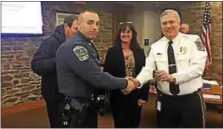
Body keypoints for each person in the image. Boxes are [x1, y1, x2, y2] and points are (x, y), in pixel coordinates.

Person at [56, 9, 137, 128]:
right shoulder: (75, 47)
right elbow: (96, 77)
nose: (95, 27)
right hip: (76, 108)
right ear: (78, 24)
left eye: (97, 24)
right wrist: (125, 83)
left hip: (86, 105)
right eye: (90, 23)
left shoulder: (87, 44)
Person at [131, 9, 207, 128]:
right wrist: (137, 81)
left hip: (190, 101)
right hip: (166, 100)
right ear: (161, 26)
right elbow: (148, 69)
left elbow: (198, 69)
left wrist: (173, 78)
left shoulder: (194, 41)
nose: (168, 26)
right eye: (164, 23)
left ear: (179, 23)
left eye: (172, 22)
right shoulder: (156, 46)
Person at [31, 15, 78, 128]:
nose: (78, 32)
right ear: (66, 26)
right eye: (76, 29)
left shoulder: (77, 43)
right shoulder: (50, 43)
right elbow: (36, 65)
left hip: (74, 96)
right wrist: (59, 60)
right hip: (56, 96)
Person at [103, 22, 149, 128]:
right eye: (123, 32)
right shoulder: (112, 52)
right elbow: (107, 74)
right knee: (120, 123)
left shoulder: (139, 51)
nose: (126, 34)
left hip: (136, 95)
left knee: (134, 123)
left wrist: (143, 96)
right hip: (118, 95)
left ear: (133, 34)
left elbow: (145, 73)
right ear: (119, 34)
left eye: (128, 32)